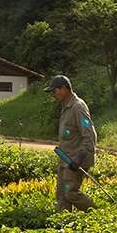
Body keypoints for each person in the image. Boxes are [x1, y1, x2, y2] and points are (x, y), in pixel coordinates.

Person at [44, 74, 97, 211]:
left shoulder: (78, 107)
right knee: (61, 195)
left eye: (54, 91)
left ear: (63, 89)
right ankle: (63, 227)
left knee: (70, 193)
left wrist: (79, 158)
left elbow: (89, 135)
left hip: (75, 160)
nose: (53, 95)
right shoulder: (66, 106)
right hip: (65, 159)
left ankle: (97, 213)